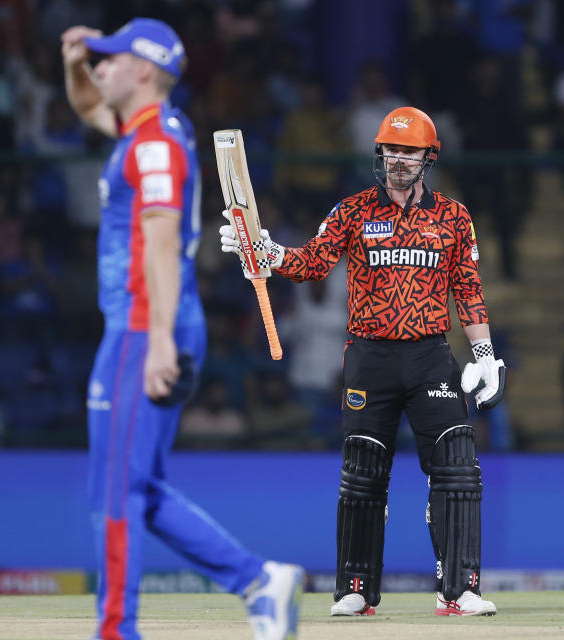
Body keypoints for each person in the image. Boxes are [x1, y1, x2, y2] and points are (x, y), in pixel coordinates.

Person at [61, 19, 302, 640]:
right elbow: (88, 103)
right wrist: (72, 64)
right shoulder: (147, 132)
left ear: (143, 70)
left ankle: (117, 630)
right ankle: (258, 582)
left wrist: (159, 337)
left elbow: (163, 246)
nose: (100, 67)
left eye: (110, 59)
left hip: (146, 323)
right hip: (149, 322)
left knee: (113, 493)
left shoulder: (154, 147)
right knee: (135, 485)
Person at [221, 106, 505, 617]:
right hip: (369, 358)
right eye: (390, 150)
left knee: (459, 468)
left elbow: (468, 289)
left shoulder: (453, 217)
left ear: (428, 157)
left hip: (430, 357)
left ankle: (459, 589)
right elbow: (310, 263)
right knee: (363, 474)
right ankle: (355, 587)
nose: (397, 160)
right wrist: (265, 252)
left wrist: (485, 355)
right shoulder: (352, 211)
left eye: (408, 152)